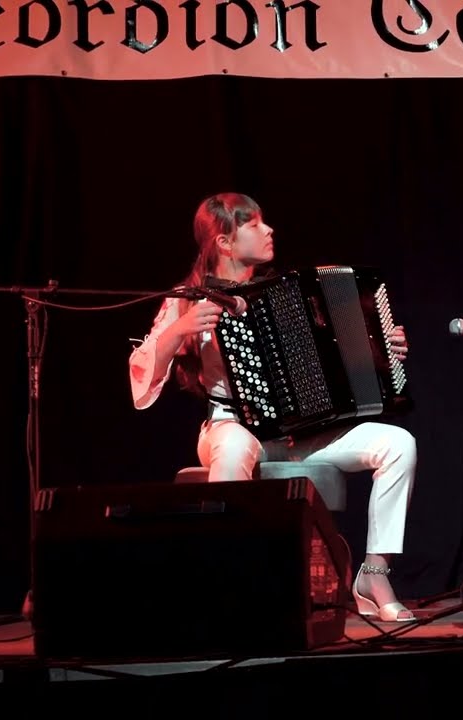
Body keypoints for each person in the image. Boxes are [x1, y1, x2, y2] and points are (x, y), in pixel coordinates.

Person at [128, 192, 418, 622]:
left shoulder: (287, 293)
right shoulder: (186, 300)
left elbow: (341, 358)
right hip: (230, 425)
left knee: (399, 444)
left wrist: (382, 347)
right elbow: (141, 379)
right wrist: (178, 331)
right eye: (254, 225)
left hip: (301, 435)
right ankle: (226, 583)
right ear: (225, 242)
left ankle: (373, 574)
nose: (269, 231)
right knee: (232, 450)